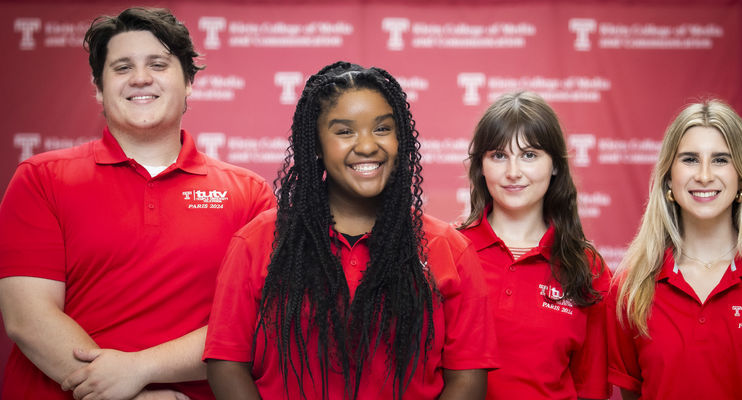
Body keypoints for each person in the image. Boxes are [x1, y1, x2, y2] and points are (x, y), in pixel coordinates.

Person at [0, 7, 276, 400]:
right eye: (122, 67)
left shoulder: (249, 194)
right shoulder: (40, 178)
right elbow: (27, 317)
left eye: (158, 64)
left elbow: (253, 325)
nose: (140, 78)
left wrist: (140, 369)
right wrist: (131, 397)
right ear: (98, 88)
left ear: (190, 83)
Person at [203, 61, 498, 399]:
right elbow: (226, 363)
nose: (368, 145)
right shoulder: (258, 240)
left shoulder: (448, 248)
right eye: (344, 132)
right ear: (315, 144)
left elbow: (468, 378)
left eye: (383, 129)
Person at [607, 99, 742, 399]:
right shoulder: (632, 285)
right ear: (669, 177)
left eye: (721, 159)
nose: (705, 175)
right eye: (690, 159)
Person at [457, 91, 610, 400]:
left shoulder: (587, 266)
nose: (513, 172)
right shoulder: (450, 251)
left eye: (529, 155)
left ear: (555, 166)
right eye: (499, 155)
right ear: (481, 166)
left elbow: (590, 388)